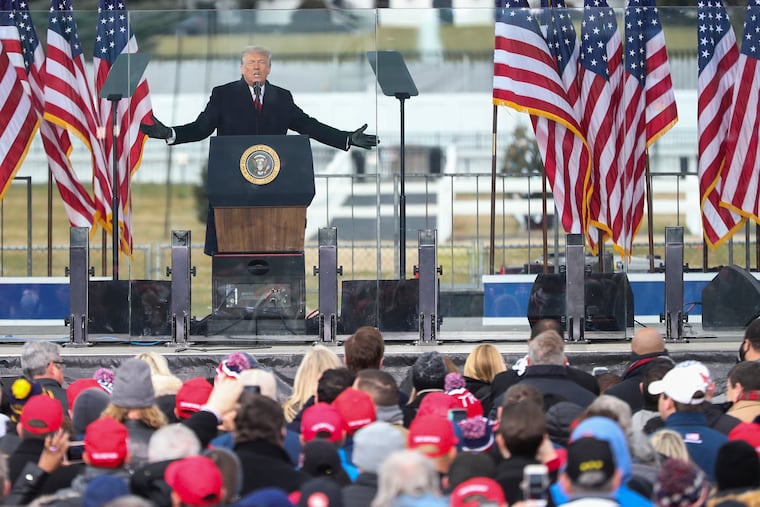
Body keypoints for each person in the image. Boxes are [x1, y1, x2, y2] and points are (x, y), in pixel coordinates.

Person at [140, 45, 379, 256]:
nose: (256, 67)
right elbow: (201, 128)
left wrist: (346, 138)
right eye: (251, 63)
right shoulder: (223, 95)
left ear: (269, 68)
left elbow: (308, 125)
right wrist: (171, 133)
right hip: (232, 188)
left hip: (273, 189)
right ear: (242, 67)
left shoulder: (282, 98)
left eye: (261, 63)